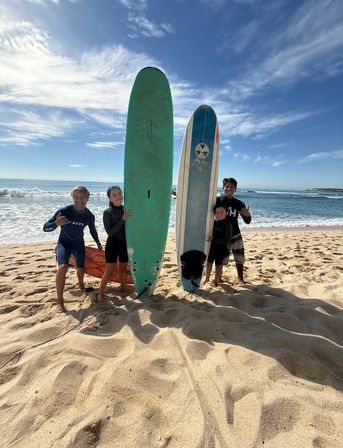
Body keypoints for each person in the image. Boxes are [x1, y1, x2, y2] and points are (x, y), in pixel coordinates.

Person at [43, 186, 103, 312]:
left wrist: (98, 243)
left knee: (81, 267)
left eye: (82, 197)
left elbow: (93, 230)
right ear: (72, 197)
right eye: (76, 196)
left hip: (78, 244)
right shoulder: (65, 211)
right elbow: (45, 227)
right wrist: (56, 224)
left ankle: (81, 286)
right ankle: (60, 301)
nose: (79, 199)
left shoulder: (89, 216)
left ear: (88, 198)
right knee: (63, 267)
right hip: (64, 244)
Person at [97, 186, 133, 301]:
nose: (118, 196)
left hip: (124, 244)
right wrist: (123, 219)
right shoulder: (107, 212)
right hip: (112, 244)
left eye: (119, 193)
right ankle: (100, 292)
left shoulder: (126, 209)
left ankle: (122, 287)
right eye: (114, 194)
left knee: (123, 269)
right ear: (110, 198)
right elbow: (110, 232)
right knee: (109, 271)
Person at [216, 177, 251, 283]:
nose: (229, 189)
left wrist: (247, 215)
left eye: (232, 187)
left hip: (236, 234)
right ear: (223, 188)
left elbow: (247, 221)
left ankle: (240, 278)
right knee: (221, 259)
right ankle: (219, 277)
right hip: (222, 236)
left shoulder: (239, 203)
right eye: (227, 186)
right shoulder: (218, 201)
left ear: (235, 189)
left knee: (239, 258)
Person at [203, 203, 232, 286]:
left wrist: (214, 239)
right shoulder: (213, 222)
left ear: (227, 212)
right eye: (217, 212)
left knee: (218, 265)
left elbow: (227, 240)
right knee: (209, 263)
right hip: (212, 247)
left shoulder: (228, 224)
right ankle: (207, 279)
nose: (219, 214)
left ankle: (216, 281)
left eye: (221, 212)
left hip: (221, 248)